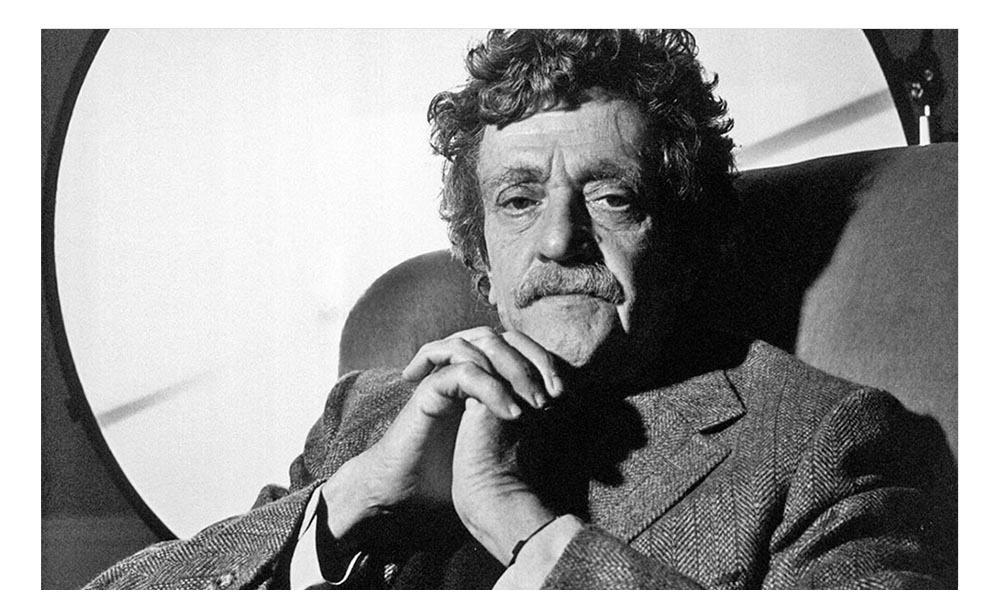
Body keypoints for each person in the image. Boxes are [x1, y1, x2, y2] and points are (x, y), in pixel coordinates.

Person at [85, 29, 956, 590]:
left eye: (611, 196)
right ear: (481, 259)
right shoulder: (370, 415)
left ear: (688, 240)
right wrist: (350, 502)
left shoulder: (828, 443)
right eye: (518, 200)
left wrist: (525, 528)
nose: (560, 239)